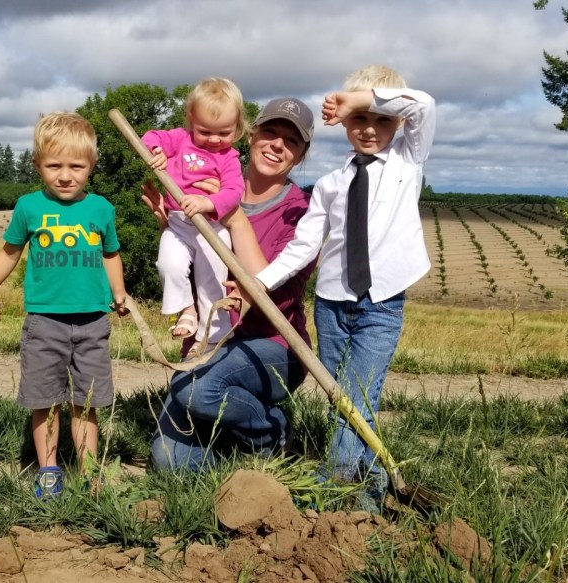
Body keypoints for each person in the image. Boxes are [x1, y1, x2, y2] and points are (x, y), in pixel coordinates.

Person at [252, 65, 436, 510]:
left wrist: (360, 99)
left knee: (360, 392)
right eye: (359, 120)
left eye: (381, 119)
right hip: (332, 305)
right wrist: (258, 282)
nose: (370, 129)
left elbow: (424, 105)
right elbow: (302, 247)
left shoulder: (407, 163)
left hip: (382, 300)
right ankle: (368, 484)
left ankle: (336, 485)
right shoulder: (330, 185)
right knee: (342, 397)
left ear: (398, 124)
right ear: (345, 126)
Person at [146, 97, 315, 471]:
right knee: (169, 464)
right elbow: (193, 274)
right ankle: (232, 438)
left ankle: (270, 432)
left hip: (272, 344)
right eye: (270, 131)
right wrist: (171, 228)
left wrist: (235, 219)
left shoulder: (301, 212)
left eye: (291, 141)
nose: (277, 144)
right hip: (210, 340)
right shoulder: (202, 180)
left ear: (300, 155)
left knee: (194, 389)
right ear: (251, 135)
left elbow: (276, 295)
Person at [0, 112, 129, 499]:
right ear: (37, 165)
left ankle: (91, 473)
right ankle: (49, 472)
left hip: (93, 321)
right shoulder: (29, 207)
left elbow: (111, 254)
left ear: (91, 165)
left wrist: (119, 291)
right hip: (44, 322)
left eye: (76, 166)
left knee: (86, 403)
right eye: (54, 165)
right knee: (44, 401)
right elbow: (9, 253)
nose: (65, 175)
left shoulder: (101, 210)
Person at [141, 77, 247, 355]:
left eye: (224, 132)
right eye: (205, 131)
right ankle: (186, 309)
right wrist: (157, 152)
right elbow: (150, 137)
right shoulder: (180, 139)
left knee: (212, 276)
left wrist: (208, 201)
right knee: (168, 265)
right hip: (177, 224)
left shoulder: (229, 157)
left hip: (212, 226)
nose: (214, 140)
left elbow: (235, 191)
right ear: (191, 119)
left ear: (237, 127)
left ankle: (211, 332)